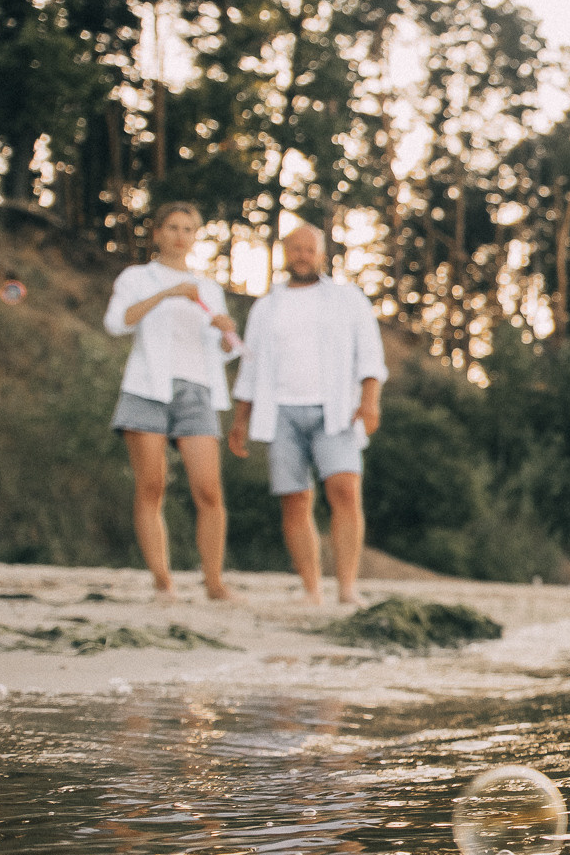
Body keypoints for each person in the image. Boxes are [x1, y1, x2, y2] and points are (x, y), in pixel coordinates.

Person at [227, 224, 386, 606]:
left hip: (336, 410)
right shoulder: (266, 307)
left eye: (309, 249)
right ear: (285, 253)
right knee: (295, 500)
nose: (302, 255)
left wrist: (370, 401)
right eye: (295, 248)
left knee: (345, 491)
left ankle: (347, 588)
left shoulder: (348, 299)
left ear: (322, 254)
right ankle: (311, 589)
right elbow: (251, 366)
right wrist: (240, 420)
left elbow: (370, 355)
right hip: (280, 412)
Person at [104, 201, 239, 602]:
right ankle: (163, 581)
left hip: (197, 390)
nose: (181, 236)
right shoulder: (136, 277)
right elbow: (116, 323)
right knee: (152, 486)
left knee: (209, 491)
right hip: (147, 388)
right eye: (173, 228)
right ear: (158, 233)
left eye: (188, 229)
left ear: (195, 237)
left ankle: (214, 583)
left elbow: (226, 350)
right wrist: (167, 294)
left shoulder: (209, 288)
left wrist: (226, 332)